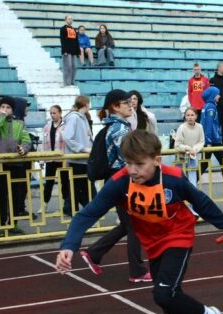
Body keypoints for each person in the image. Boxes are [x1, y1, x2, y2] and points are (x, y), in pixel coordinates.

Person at [56, 130, 223, 314]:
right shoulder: (120, 182)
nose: (133, 170)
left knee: (164, 294)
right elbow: (87, 214)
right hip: (152, 243)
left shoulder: (173, 179)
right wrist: (69, 246)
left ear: (157, 160)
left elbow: (201, 202)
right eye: (128, 163)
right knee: (168, 303)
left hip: (178, 236)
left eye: (139, 164)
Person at [79, 89, 150, 282]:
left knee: (128, 224)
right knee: (135, 225)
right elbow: (128, 158)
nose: (130, 105)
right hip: (123, 181)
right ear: (116, 106)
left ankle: (94, 253)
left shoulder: (115, 126)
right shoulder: (120, 129)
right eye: (126, 102)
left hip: (117, 180)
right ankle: (137, 271)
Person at [0, 96, 32, 236]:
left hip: (16, 164)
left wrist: (24, 148)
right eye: (3, 107)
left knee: (16, 196)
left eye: (8, 107)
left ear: (13, 109)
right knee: (2, 196)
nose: (5, 109)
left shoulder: (20, 123)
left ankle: (13, 224)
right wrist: (1, 116)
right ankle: (1, 225)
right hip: (1, 164)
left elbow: (26, 140)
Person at [199, 86, 223, 203]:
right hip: (213, 142)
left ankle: (190, 183)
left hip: (210, 141)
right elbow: (209, 125)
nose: (219, 96)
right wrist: (209, 141)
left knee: (204, 165)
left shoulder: (206, 106)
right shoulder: (211, 107)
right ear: (213, 95)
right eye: (217, 94)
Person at [63, 95, 93, 211]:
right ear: (86, 104)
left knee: (80, 188)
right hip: (77, 159)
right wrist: (82, 148)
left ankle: (71, 209)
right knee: (80, 188)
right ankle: (73, 209)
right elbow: (67, 137)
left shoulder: (82, 117)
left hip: (83, 159)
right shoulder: (74, 118)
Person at [39, 105, 70, 214]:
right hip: (50, 159)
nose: (52, 115)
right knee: (48, 183)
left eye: (54, 113)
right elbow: (44, 143)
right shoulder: (47, 126)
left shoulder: (66, 126)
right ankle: (44, 204)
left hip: (62, 159)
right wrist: (42, 159)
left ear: (60, 113)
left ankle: (65, 205)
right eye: (51, 113)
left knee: (64, 182)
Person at [175, 107, 205, 187]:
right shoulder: (181, 127)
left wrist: (195, 149)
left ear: (196, 116)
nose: (190, 117)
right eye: (188, 115)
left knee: (192, 180)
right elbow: (177, 144)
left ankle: (192, 194)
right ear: (185, 116)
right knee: (179, 180)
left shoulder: (200, 127)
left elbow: (201, 141)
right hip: (181, 157)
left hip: (192, 156)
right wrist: (189, 149)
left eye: (192, 115)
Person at [60, 15, 80, 86]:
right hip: (67, 50)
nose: (70, 20)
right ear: (65, 20)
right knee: (67, 66)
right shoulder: (63, 29)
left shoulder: (74, 29)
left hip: (73, 51)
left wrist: (78, 51)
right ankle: (66, 82)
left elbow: (76, 41)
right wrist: (64, 50)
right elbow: (62, 40)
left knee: (74, 67)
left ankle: (72, 82)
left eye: (71, 19)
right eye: (69, 19)